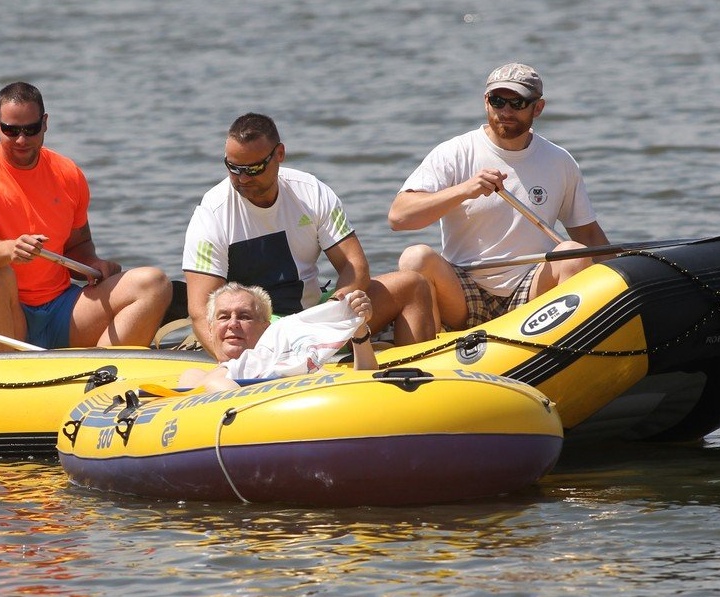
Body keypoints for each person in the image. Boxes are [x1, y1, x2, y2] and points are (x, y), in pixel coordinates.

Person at [182, 112, 435, 356]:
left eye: (254, 168)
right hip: (257, 330)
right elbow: (201, 310)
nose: (243, 179)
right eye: (233, 168)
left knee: (412, 284)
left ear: (279, 154)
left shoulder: (311, 192)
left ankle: (410, 378)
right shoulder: (212, 214)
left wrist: (336, 306)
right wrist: (231, 364)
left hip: (315, 315)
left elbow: (354, 266)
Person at [0, 81, 172, 351]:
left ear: (45, 123)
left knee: (153, 283)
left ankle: (102, 375)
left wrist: (92, 263)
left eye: (31, 129)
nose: (21, 140)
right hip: (3, 310)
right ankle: (3, 376)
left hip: (60, 308)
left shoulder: (68, 173)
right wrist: (10, 248)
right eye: (10, 130)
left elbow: (78, 245)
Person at [388, 63, 610, 331]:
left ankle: (566, 348)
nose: (505, 111)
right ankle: (427, 355)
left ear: (537, 108)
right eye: (497, 101)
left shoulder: (559, 160)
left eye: (517, 103)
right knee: (416, 257)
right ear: (486, 102)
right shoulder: (454, 152)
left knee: (573, 253)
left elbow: (588, 235)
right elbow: (399, 217)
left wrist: (632, 278)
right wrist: (465, 189)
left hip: (530, 293)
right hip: (463, 292)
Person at [178, 283, 376, 391]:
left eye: (245, 316)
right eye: (223, 317)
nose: (233, 323)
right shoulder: (196, 376)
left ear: (266, 329)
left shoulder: (293, 364)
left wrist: (358, 330)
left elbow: (362, 386)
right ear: (211, 329)